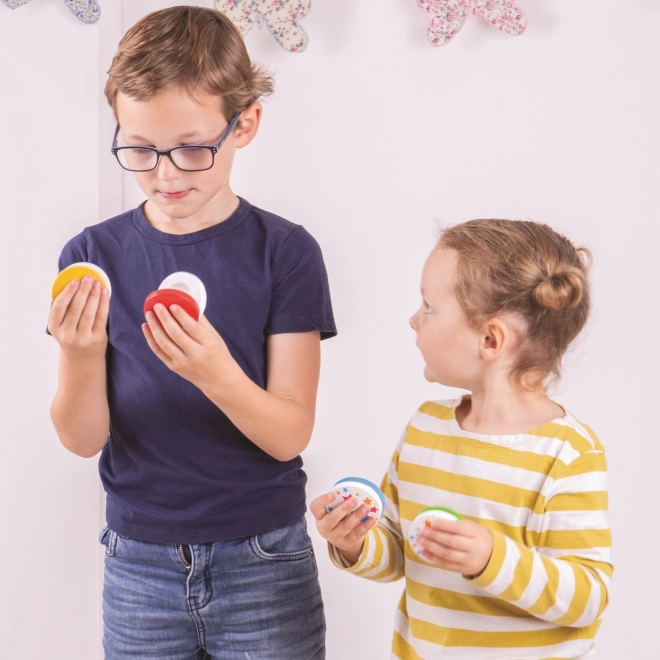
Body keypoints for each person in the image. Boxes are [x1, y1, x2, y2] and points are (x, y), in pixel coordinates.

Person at [47, 6, 334, 659]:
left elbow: (289, 433)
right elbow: (81, 436)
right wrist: (80, 353)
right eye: (140, 149)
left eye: (192, 148)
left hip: (264, 558)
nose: (166, 174)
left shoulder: (285, 253)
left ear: (246, 124)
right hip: (138, 564)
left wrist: (216, 374)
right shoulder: (92, 256)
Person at [312, 219, 612, 659]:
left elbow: (588, 599)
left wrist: (492, 559)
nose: (414, 319)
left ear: (491, 339)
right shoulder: (425, 428)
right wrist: (354, 540)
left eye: (429, 307)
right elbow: (399, 552)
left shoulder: (567, 454)